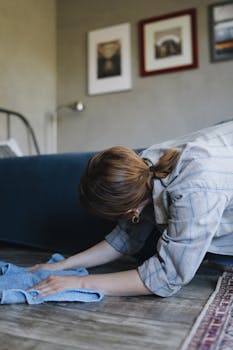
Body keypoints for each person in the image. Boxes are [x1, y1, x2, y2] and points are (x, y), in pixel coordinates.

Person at [30, 120, 233, 298]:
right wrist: (61, 266)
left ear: (132, 213)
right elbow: (123, 239)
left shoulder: (194, 189)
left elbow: (167, 277)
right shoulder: (141, 168)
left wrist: (81, 283)